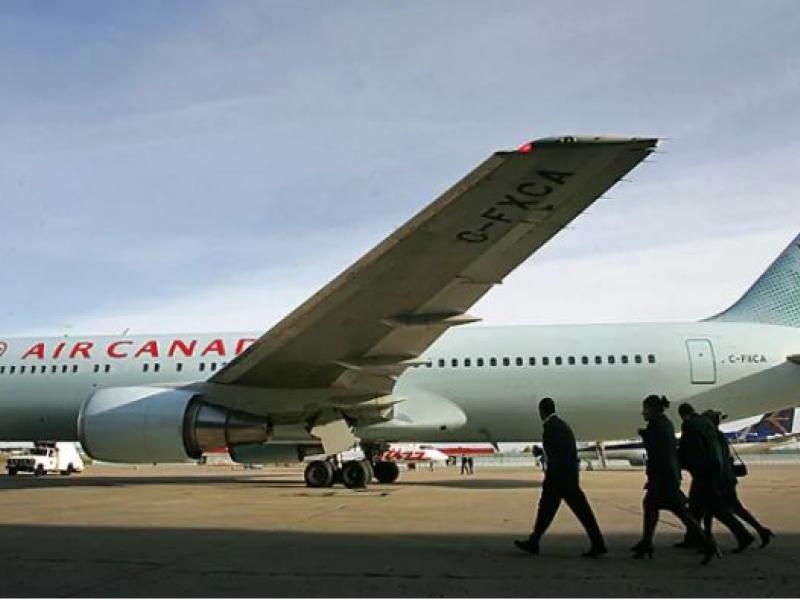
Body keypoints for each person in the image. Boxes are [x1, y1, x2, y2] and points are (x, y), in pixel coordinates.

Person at [515, 397, 607, 557]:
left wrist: (551, 476)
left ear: (541, 411)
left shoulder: (551, 427)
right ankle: (534, 541)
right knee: (551, 511)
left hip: (559, 479)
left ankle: (534, 542)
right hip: (566, 477)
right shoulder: (561, 425)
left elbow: (556, 455)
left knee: (561, 511)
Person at [632, 394, 717, 564]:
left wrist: (646, 436)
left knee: (678, 511)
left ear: (653, 410)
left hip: (663, 477)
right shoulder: (663, 424)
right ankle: (646, 543)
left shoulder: (657, 426)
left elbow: (660, 453)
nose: (643, 413)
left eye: (646, 409)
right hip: (665, 476)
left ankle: (707, 543)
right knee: (652, 506)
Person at [677, 402, 755, 553]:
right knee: (698, 508)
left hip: (704, 474)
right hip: (713, 472)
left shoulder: (690, 425)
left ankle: (742, 536)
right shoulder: (708, 427)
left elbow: (692, 449)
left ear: (683, 415)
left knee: (714, 509)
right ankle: (694, 539)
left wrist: (681, 462)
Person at [702, 409, 774, 547]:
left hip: (721, 480)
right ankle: (760, 531)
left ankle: (711, 541)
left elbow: (717, 460)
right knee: (730, 508)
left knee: (715, 509)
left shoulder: (713, 436)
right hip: (727, 478)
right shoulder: (719, 435)